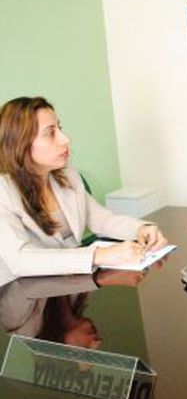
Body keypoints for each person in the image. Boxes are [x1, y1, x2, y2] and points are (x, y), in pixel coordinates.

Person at [0, 96, 168, 285]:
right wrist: (98, 255)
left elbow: (102, 219)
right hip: (19, 293)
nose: (65, 139)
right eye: (50, 133)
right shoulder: (3, 193)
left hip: (69, 287)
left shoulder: (69, 177)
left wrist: (140, 229)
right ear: (18, 143)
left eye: (60, 128)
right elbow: (20, 259)